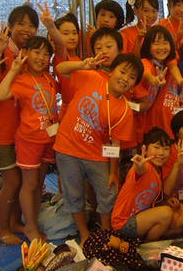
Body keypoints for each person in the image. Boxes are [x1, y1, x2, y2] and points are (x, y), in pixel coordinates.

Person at [54, 53, 143, 239]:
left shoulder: (125, 111)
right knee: (73, 194)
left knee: (108, 193)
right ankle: (84, 234)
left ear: (134, 85)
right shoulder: (93, 78)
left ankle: (105, 233)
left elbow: (115, 144)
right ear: (111, 71)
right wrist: (82, 65)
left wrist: (113, 172)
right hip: (67, 148)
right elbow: (60, 69)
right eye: (122, 72)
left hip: (96, 154)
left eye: (131, 77)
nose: (125, 78)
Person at [0, 5, 39, 245]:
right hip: (0, 131)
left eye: (31, 25)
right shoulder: (3, 53)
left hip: (21, 131)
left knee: (21, 181)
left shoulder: (27, 55)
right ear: (10, 26)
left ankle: (15, 221)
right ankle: (3, 229)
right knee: (13, 181)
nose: (26, 29)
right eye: (21, 24)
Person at [0, 36, 58, 241]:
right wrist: (14, 70)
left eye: (46, 54)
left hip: (48, 137)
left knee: (39, 183)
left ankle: (32, 221)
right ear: (26, 53)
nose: (41, 58)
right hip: (29, 139)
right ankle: (30, 227)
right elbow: (0, 95)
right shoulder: (21, 80)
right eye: (36, 52)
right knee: (29, 184)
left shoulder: (49, 79)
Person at [110, 127, 176, 241]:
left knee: (177, 224)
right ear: (144, 149)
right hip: (123, 223)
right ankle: (146, 246)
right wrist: (139, 166)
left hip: (139, 218)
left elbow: (164, 193)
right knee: (166, 213)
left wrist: (178, 164)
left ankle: (141, 242)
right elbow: (140, 170)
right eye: (156, 147)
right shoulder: (146, 166)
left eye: (166, 149)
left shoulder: (158, 170)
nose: (161, 153)